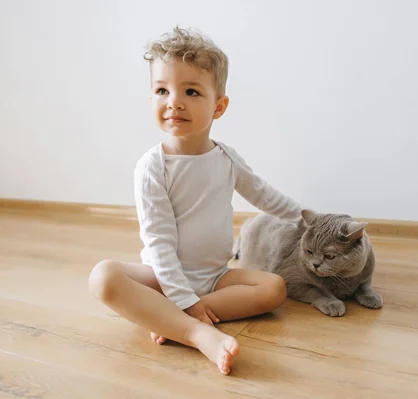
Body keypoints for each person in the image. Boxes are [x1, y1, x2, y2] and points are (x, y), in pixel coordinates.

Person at [88, 26, 302, 376]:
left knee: (275, 288)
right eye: (162, 90)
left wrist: (306, 219)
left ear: (219, 106)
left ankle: (168, 319)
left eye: (190, 90)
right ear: (152, 98)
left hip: (215, 277)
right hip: (160, 277)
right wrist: (181, 297)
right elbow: (158, 243)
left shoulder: (226, 159)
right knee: (103, 278)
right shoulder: (152, 167)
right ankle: (196, 332)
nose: (174, 101)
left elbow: (263, 194)